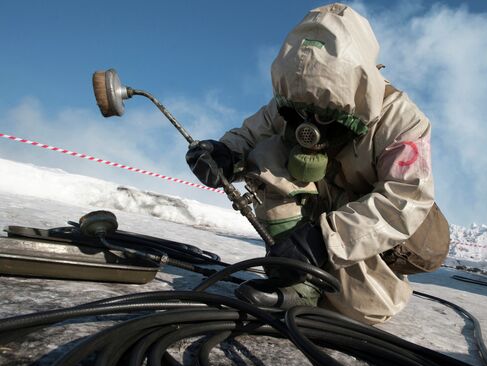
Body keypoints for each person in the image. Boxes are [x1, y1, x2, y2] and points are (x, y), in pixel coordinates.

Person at [186, 3, 449, 325]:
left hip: (387, 225)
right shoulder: (292, 103)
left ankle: (344, 277)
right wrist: (223, 152)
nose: (309, 127)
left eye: (325, 116)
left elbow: (403, 199)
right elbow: (251, 134)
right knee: (269, 153)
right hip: (322, 202)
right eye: (301, 114)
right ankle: (296, 282)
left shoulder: (402, 120)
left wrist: (323, 240)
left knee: (363, 309)